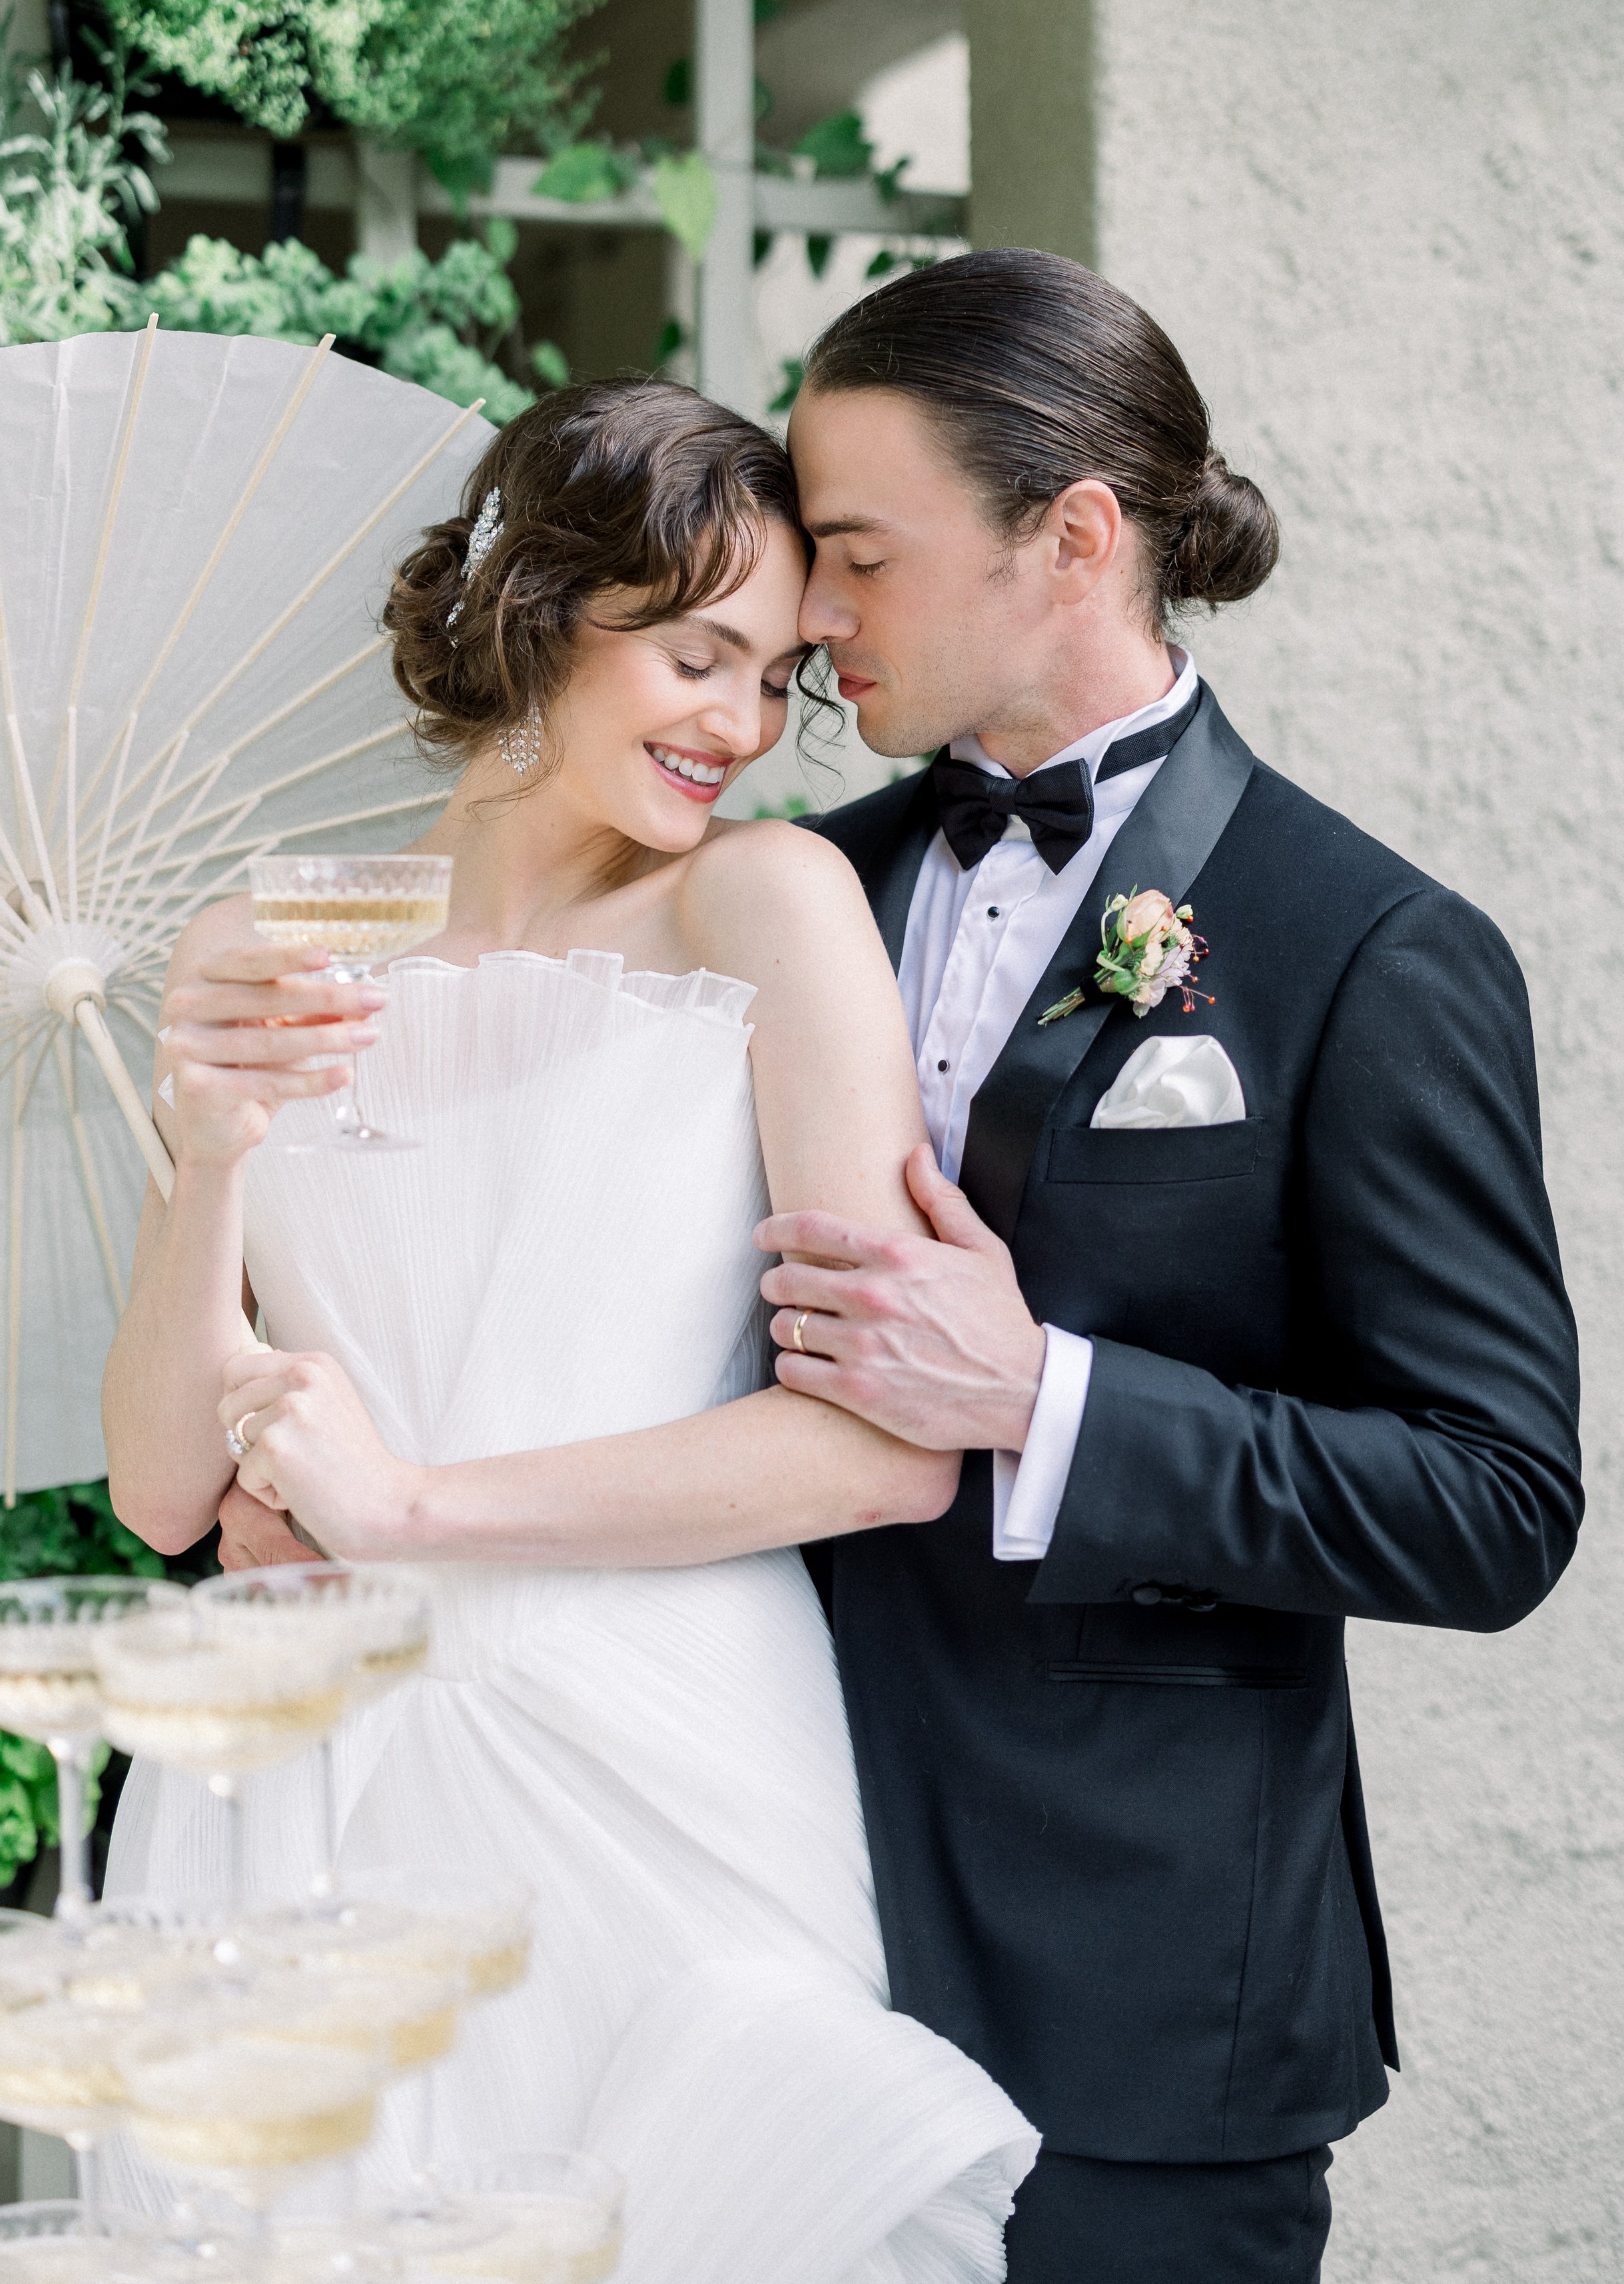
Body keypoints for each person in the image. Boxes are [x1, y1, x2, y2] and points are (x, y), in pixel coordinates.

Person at [195, 254, 1581, 2284]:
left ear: (1073, 539)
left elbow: (1491, 1502)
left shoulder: (1364, 947)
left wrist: (1044, 1401)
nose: (810, 628)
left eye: (851, 557)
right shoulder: (765, 882)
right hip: (708, 1898)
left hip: (1126, 1993)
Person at [101, 379, 1040, 2284]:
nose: (741, 727)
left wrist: (410, 1506)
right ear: (537, 608)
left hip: (660, 1757)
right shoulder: (281, 945)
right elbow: (158, 1484)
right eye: (697, 656)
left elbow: (875, 1446)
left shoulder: (761, 908)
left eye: (776, 676)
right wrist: (207, 1152)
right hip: (300, 1775)